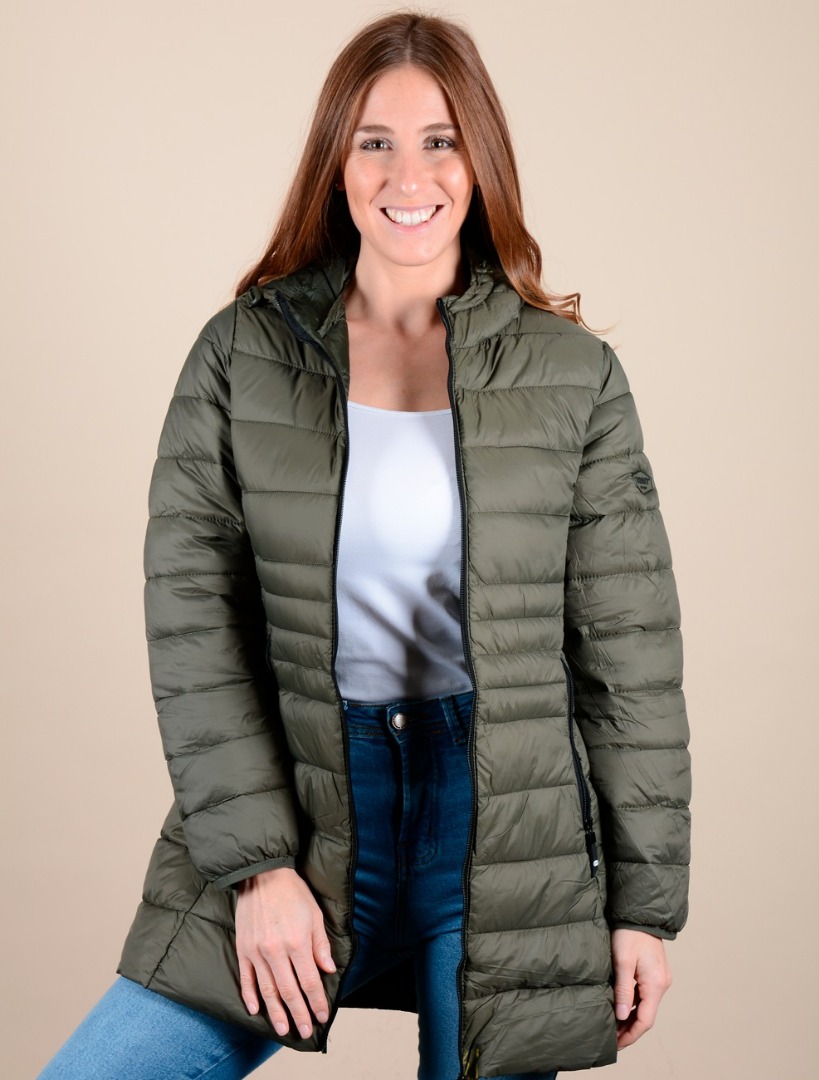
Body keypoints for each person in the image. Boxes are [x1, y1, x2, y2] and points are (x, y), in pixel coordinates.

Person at [38, 9, 691, 1080]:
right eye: (373, 141)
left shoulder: (574, 377)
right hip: (302, 804)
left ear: (480, 162)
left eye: (440, 141)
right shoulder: (242, 355)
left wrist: (642, 908)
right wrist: (258, 869)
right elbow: (193, 625)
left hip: (505, 840)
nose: (407, 175)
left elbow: (630, 659)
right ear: (334, 162)